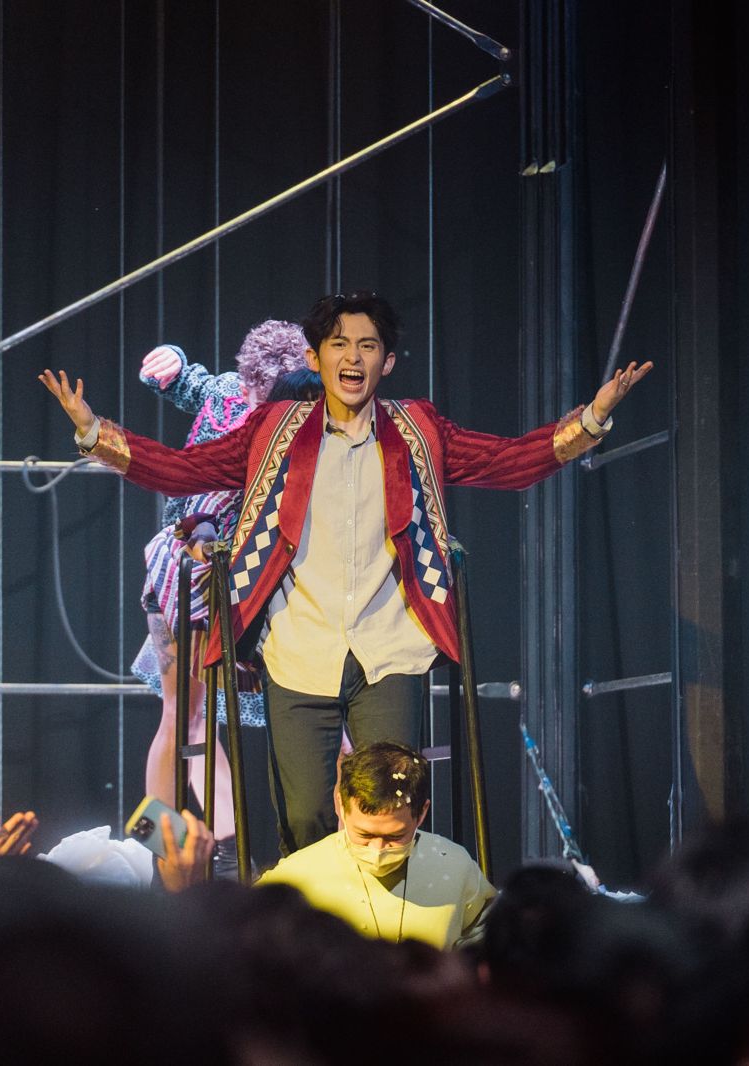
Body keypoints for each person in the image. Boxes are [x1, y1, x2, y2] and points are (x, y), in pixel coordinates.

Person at [41, 290, 652, 854]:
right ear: (314, 357)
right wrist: (96, 432)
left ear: (387, 361)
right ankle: (181, 854)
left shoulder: (414, 429)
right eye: (339, 345)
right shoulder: (264, 424)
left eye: (367, 346)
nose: (353, 358)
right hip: (250, 613)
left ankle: (364, 902)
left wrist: (589, 422)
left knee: (379, 792)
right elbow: (185, 468)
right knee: (236, 760)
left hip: (383, 643)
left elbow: (506, 461)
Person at [131, 325, 309, 860]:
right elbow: (185, 381)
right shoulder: (229, 392)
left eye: (265, 398)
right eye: (250, 391)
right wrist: (168, 359)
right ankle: (166, 851)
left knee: (316, 715)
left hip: (254, 584)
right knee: (182, 716)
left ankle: (298, 849)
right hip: (182, 573)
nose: (252, 402)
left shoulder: (299, 425)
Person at [160, 742, 492, 951]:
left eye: (395, 837)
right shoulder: (298, 875)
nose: (378, 849)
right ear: (340, 806)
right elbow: (232, 944)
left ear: (422, 813)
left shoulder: (454, 864)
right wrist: (183, 887)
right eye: (363, 835)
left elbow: (487, 939)